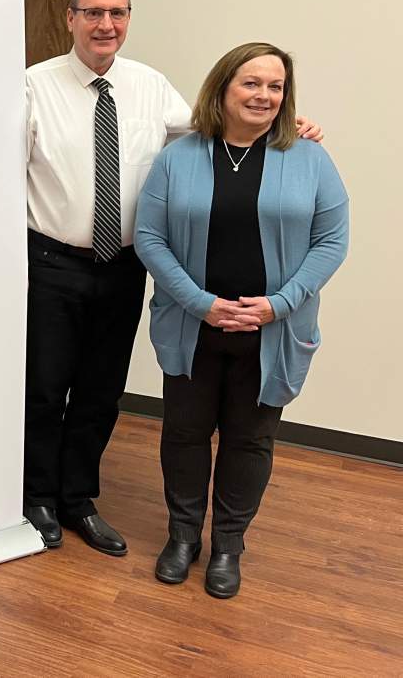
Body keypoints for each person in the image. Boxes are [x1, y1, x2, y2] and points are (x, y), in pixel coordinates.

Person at [22, 0, 323, 557]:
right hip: (51, 263)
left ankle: (79, 499)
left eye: (117, 13)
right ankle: (35, 498)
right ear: (70, 18)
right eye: (93, 13)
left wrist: (294, 125)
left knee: (100, 390)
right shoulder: (33, 86)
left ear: (128, 19)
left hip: (122, 264)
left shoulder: (149, 85)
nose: (105, 25)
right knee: (43, 388)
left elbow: (221, 123)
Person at [134, 42, 348, 598]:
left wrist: (279, 303)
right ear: (224, 88)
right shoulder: (179, 155)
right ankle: (183, 536)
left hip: (271, 331)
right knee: (183, 434)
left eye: (275, 87)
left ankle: (228, 545)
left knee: (249, 440)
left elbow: (332, 241)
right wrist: (199, 301)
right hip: (192, 324)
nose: (264, 95)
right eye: (251, 83)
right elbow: (150, 238)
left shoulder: (310, 157)